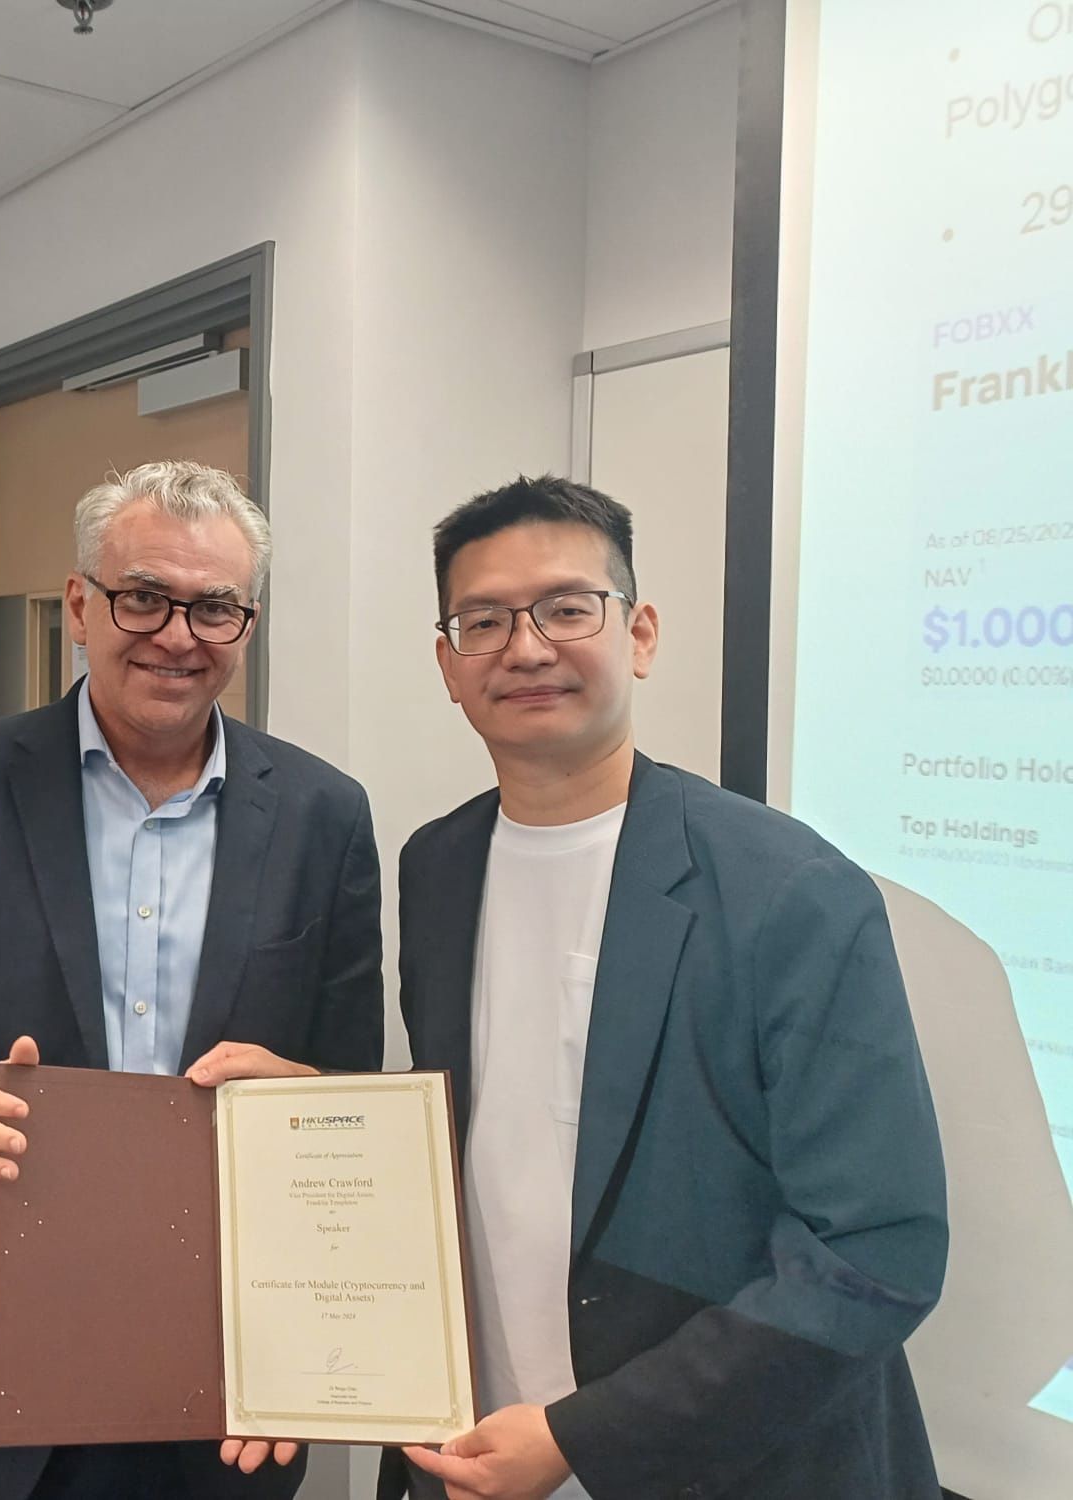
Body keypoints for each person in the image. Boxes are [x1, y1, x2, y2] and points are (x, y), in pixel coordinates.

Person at [381, 477, 947, 1500]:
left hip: (726, 1469)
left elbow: (874, 1249)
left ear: (637, 634)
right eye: (483, 621)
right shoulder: (434, 867)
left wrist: (583, 1439)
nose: (525, 648)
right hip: (474, 1451)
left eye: (566, 608)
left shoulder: (791, 891)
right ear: (447, 664)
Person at [0, 460, 384, 1500]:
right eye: (142, 597)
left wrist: (305, 1094)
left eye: (214, 607)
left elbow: (346, 1076)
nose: (177, 635)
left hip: (223, 1346)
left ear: (245, 625)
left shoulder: (324, 815)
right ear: (80, 606)